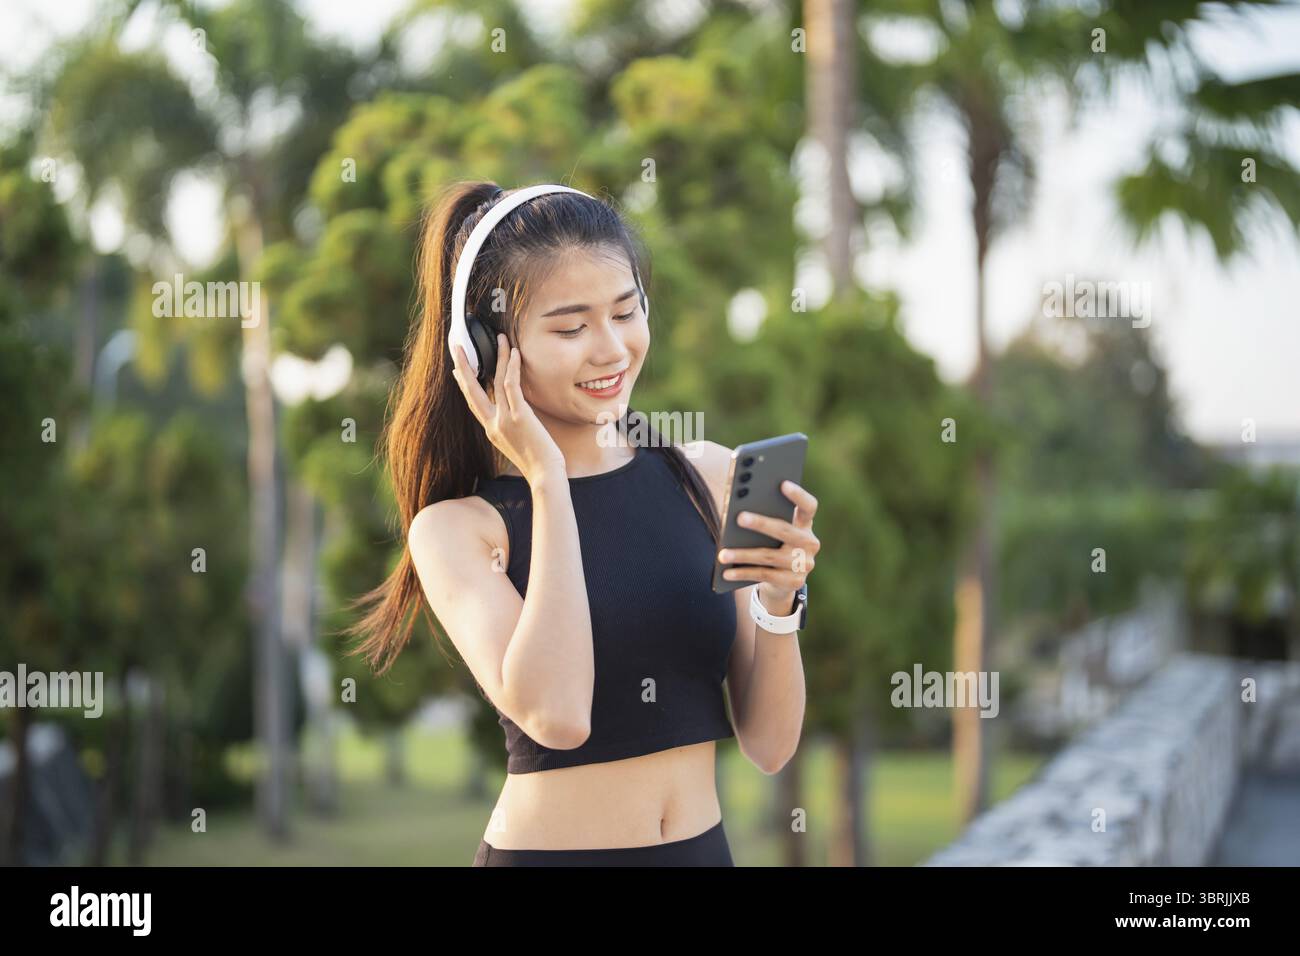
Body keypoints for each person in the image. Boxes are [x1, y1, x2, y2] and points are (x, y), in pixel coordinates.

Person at [344, 181, 819, 866]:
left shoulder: (707, 478)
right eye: (571, 328)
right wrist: (546, 477)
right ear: (484, 351)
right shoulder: (458, 531)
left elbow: (770, 746)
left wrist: (779, 606)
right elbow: (559, 717)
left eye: (626, 313)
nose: (612, 350)